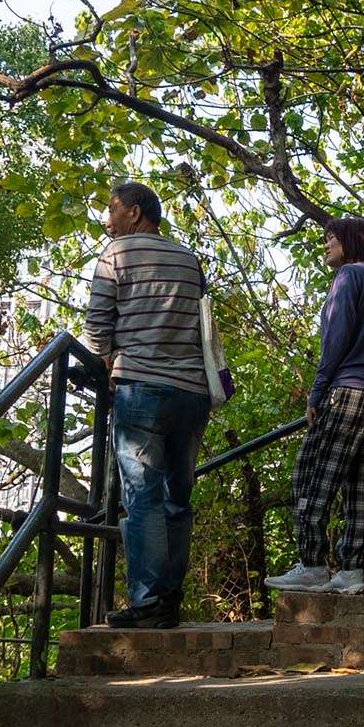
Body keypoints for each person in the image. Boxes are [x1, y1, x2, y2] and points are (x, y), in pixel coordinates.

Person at [84, 181, 211, 628]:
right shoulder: (189, 259)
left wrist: (103, 358)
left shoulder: (115, 255)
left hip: (141, 387)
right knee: (178, 499)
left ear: (135, 213)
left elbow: (99, 324)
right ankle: (169, 601)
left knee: (142, 499)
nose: (107, 218)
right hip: (192, 392)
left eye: (111, 208)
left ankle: (147, 602)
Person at [264, 217, 364, 595]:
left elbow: (336, 340)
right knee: (360, 483)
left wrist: (318, 392)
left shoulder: (348, 278)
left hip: (349, 391)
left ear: (349, 243)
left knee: (310, 473)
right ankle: (352, 570)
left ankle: (312, 564)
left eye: (331, 239)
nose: (326, 246)